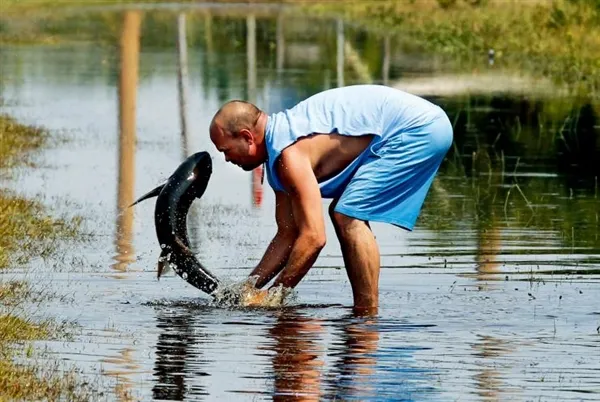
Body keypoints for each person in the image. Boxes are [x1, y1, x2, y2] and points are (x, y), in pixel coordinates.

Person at [209, 84, 453, 310]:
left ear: (247, 137)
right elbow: (287, 234)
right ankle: (364, 314)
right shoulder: (278, 152)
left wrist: (274, 296)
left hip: (419, 128)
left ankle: (367, 318)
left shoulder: (289, 155)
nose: (226, 159)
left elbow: (314, 238)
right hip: (419, 125)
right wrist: (248, 288)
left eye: (226, 150)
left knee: (347, 214)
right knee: (344, 212)